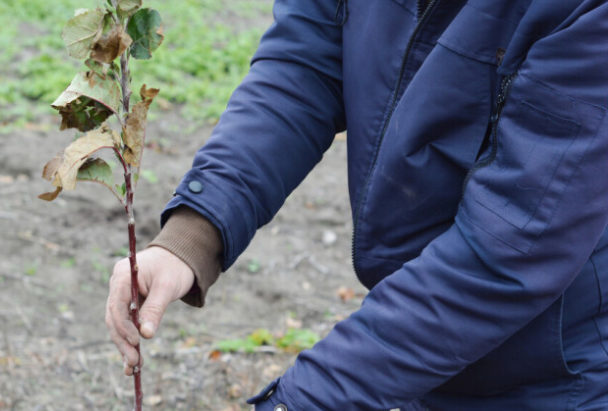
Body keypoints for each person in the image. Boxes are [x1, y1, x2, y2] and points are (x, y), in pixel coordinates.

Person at [106, 0, 608, 409]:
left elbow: (509, 249)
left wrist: (298, 401)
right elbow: (302, 72)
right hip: (414, 350)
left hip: (558, 379)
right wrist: (191, 237)